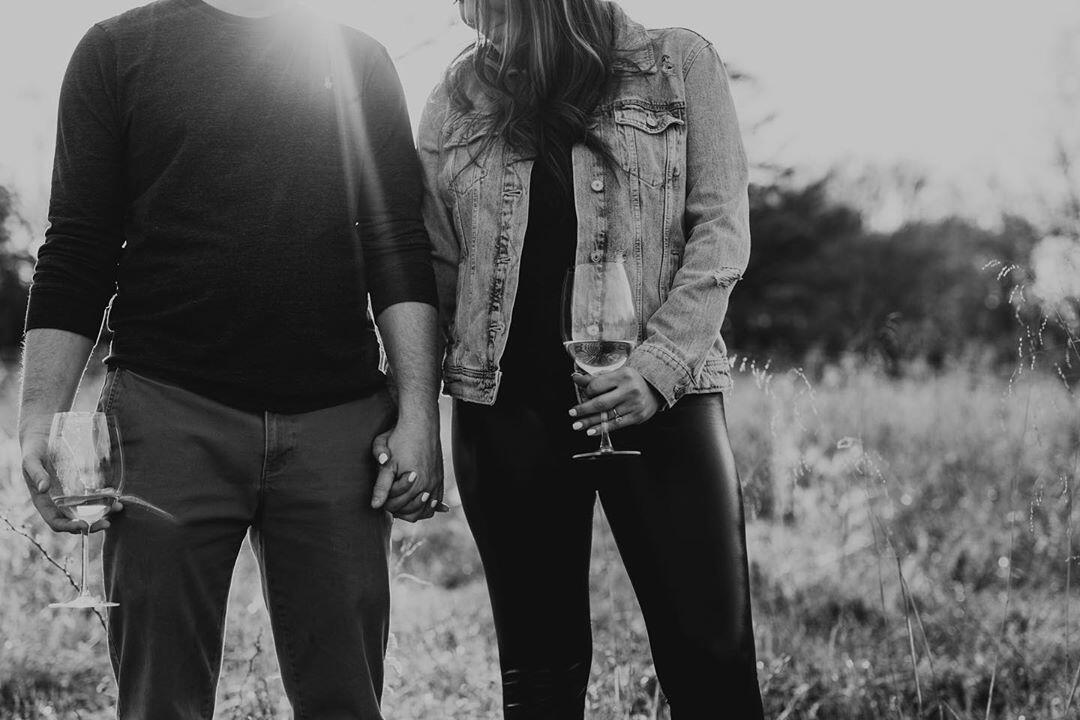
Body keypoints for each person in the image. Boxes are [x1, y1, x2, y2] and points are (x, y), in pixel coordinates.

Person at [18, 1, 444, 718]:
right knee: (162, 701)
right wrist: (37, 416)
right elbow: (77, 247)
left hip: (338, 426)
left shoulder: (356, 59)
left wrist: (420, 414)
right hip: (166, 416)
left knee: (345, 699)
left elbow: (397, 243)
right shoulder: (116, 52)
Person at [409, 0, 766, 716]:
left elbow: (719, 235)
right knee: (540, 678)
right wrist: (401, 404)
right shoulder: (457, 97)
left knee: (712, 666)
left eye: (493, 16)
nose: (481, 33)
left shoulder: (678, 64)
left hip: (662, 406)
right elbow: (431, 266)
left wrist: (656, 371)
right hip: (505, 412)